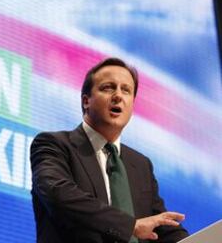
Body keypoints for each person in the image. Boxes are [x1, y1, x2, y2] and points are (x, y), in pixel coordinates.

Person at [30, 57, 189, 243]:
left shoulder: (141, 165)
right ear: (86, 101)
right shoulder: (53, 145)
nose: (118, 96)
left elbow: (161, 227)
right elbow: (58, 194)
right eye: (108, 88)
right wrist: (131, 226)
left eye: (126, 90)